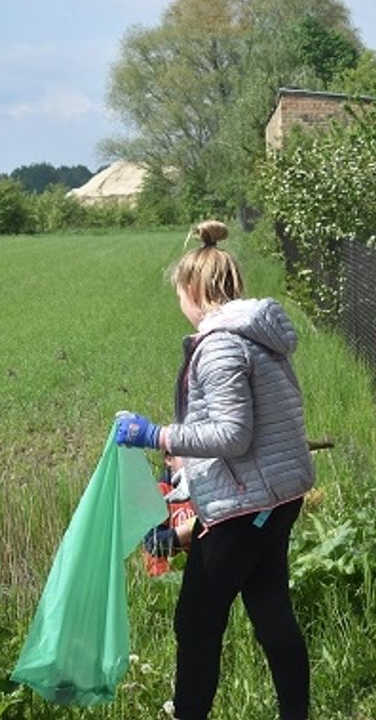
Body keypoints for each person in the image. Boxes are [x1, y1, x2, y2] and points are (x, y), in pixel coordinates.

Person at [114, 220, 314, 720]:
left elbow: (233, 435)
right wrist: (182, 458)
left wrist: (157, 435)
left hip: (247, 504)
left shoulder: (221, 344)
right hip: (275, 497)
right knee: (270, 611)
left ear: (194, 289)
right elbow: (246, 427)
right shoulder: (257, 337)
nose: (178, 302)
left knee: (197, 622)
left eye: (180, 292)